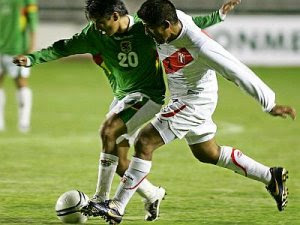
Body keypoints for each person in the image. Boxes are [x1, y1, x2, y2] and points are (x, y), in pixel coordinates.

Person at [13, 0, 240, 221]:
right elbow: (63, 47)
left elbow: (184, 23)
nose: (97, 28)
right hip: (124, 98)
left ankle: (101, 198)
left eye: (100, 22)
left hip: (148, 96)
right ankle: (153, 194)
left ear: (114, 16)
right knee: (121, 163)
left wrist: (217, 15)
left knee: (108, 131)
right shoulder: (94, 35)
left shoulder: (145, 28)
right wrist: (33, 58)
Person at [89, 0, 297, 224]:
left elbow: (238, 71)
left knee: (145, 141)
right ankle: (270, 176)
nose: (147, 32)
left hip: (194, 100)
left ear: (167, 24)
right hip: (184, 97)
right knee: (207, 153)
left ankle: (117, 206)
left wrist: (270, 103)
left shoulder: (200, 45)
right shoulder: (168, 23)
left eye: (151, 28)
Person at [0, 0, 38, 132]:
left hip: (16, 48)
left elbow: (33, 21)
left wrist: (32, 45)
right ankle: (0, 123)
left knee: (21, 82)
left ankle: (24, 122)